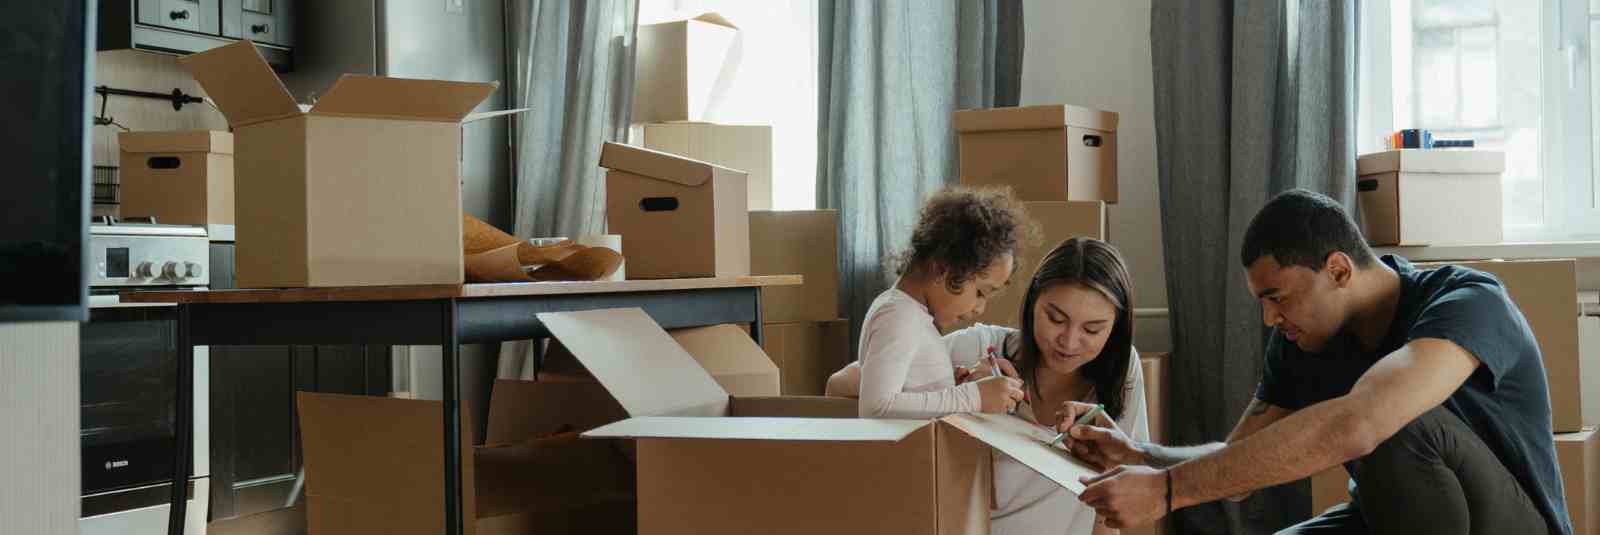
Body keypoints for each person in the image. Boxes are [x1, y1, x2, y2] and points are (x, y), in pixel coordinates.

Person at [1058, 189, 1570, 535]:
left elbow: (1363, 422)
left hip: (1510, 523)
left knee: (1401, 426)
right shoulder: (1303, 342)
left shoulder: (1468, 301)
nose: (1268, 318)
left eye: (1277, 297)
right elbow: (1241, 464)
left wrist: (1168, 493)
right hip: (1381, 520)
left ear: (1339, 270)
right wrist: (1141, 457)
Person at [831, 237, 1150, 535]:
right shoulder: (980, 346)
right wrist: (956, 388)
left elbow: (1117, 501)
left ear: (1115, 331)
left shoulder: (1122, 372)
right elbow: (840, 385)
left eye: (1092, 330)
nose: (1069, 341)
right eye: (1055, 318)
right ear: (1033, 303)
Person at [851, 186, 1032, 419]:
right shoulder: (898, 316)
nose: (980, 308)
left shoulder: (914, 316)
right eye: (980, 292)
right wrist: (972, 396)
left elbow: (911, 398)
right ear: (943, 267)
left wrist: (950, 389)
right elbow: (876, 408)